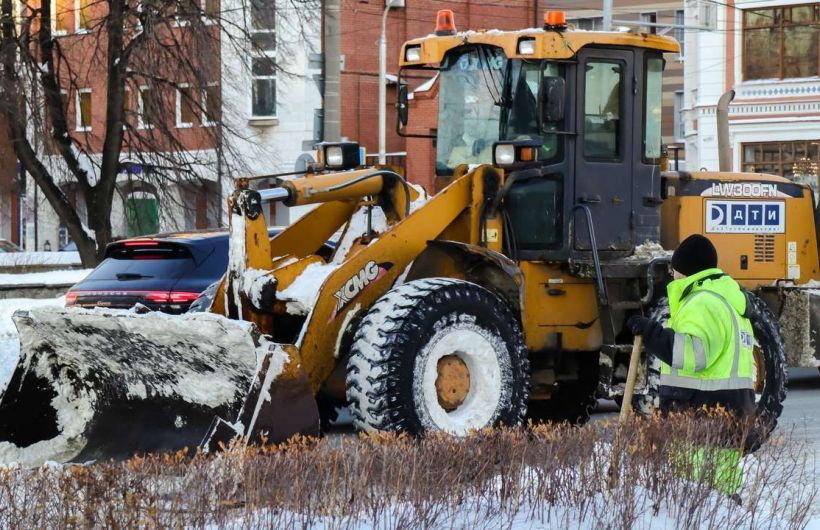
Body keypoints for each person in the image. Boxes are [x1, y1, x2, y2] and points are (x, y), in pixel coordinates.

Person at [627, 234, 756, 497]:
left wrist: (652, 333)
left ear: (686, 272)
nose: (673, 277)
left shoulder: (702, 303)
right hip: (725, 413)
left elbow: (692, 355)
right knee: (720, 493)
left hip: (703, 417)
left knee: (700, 496)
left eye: (675, 271)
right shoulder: (726, 300)